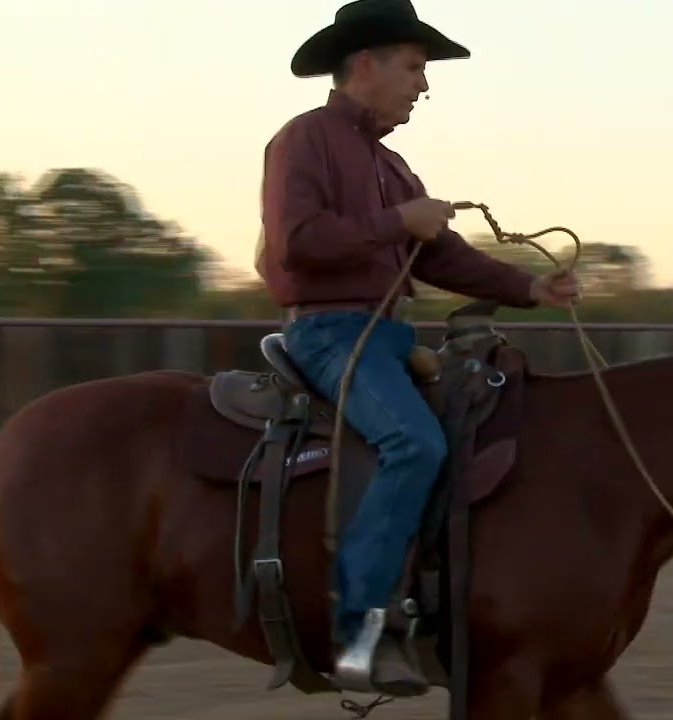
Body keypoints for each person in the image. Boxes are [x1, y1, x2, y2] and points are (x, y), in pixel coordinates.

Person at [256, 0, 581, 698]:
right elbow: (295, 243)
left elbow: (445, 260)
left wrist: (531, 288)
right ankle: (360, 632)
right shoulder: (303, 140)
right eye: (414, 67)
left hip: (386, 338)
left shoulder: (392, 166)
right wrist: (395, 221)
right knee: (415, 443)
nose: (423, 86)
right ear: (365, 64)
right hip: (329, 332)